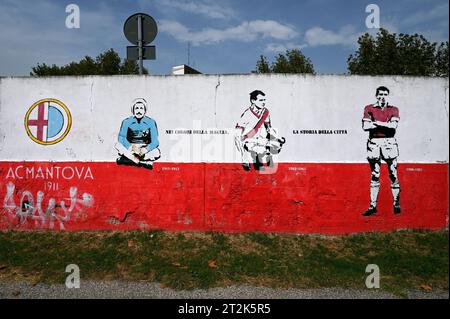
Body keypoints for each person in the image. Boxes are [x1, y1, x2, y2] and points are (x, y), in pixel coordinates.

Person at [362, 86, 401, 216]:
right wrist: (385, 124)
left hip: (389, 142)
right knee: (375, 174)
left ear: (388, 95)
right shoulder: (369, 108)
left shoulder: (393, 109)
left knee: (393, 173)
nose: (382, 96)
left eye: (385, 94)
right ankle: (373, 206)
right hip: (374, 142)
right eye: (380, 94)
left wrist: (376, 122)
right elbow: (365, 126)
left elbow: (393, 126)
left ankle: (396, 203)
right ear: (376, 95)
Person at [235, 90, 285, 171]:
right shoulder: (247, 114)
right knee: (258, 165)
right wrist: (243, 157)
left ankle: (263, 159)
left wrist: (276, 138)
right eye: (261, 100)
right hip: (250, 142)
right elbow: (237, 133)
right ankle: (256, 159)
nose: (264, 102)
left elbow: (268, 127)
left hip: (262, 141)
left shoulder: (265, 112)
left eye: (264, 100)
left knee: (276, 144)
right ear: (253, 101)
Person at [115, 98, 161, 170]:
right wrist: (131, 147)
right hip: (131, 148)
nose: (139, 111)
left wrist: (145, 149)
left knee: (157, 152)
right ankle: (142, 162)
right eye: (136, 108)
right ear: (133, 110)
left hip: (144, 149)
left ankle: (128, 160)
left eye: (141, 108)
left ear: (145, 110)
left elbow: (155, 141)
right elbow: (121, 137)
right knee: (118, 145)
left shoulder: (151, 122)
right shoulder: (126, 122)